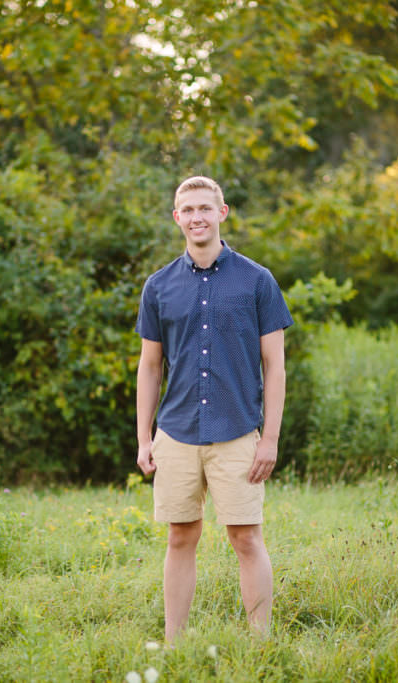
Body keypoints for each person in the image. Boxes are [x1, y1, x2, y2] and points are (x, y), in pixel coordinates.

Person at [135, 175, 293, 643]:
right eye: (189, 210)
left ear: (222, 213)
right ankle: (174, 645)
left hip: (238, 432)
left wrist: (270, 439)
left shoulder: (257, 281)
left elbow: (276, 367)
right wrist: (144, 437)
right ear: (177, 217)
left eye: (206, 208)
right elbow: (149, 366)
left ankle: (260, 643)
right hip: (177, 432)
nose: (197, 217)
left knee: (246, 539)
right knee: (180, 537)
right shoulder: (158, 286)